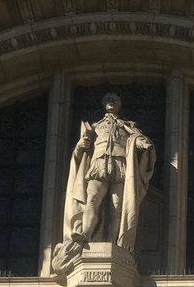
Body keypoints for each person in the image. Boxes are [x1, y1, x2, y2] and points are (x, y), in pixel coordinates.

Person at [59, 93, 155, 253]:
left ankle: (114, 244)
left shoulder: (127, 126)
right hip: (99, 164)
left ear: (119, 104)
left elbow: (137, 139)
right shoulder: (95, 126)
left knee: (117, 207)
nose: (111, 101)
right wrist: (79, 146)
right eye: (108, 99)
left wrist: (142, 145)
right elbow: (80, 152)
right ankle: (85, 234)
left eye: (115, 99)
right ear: (104, 104)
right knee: (92, 199)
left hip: (120, 166)